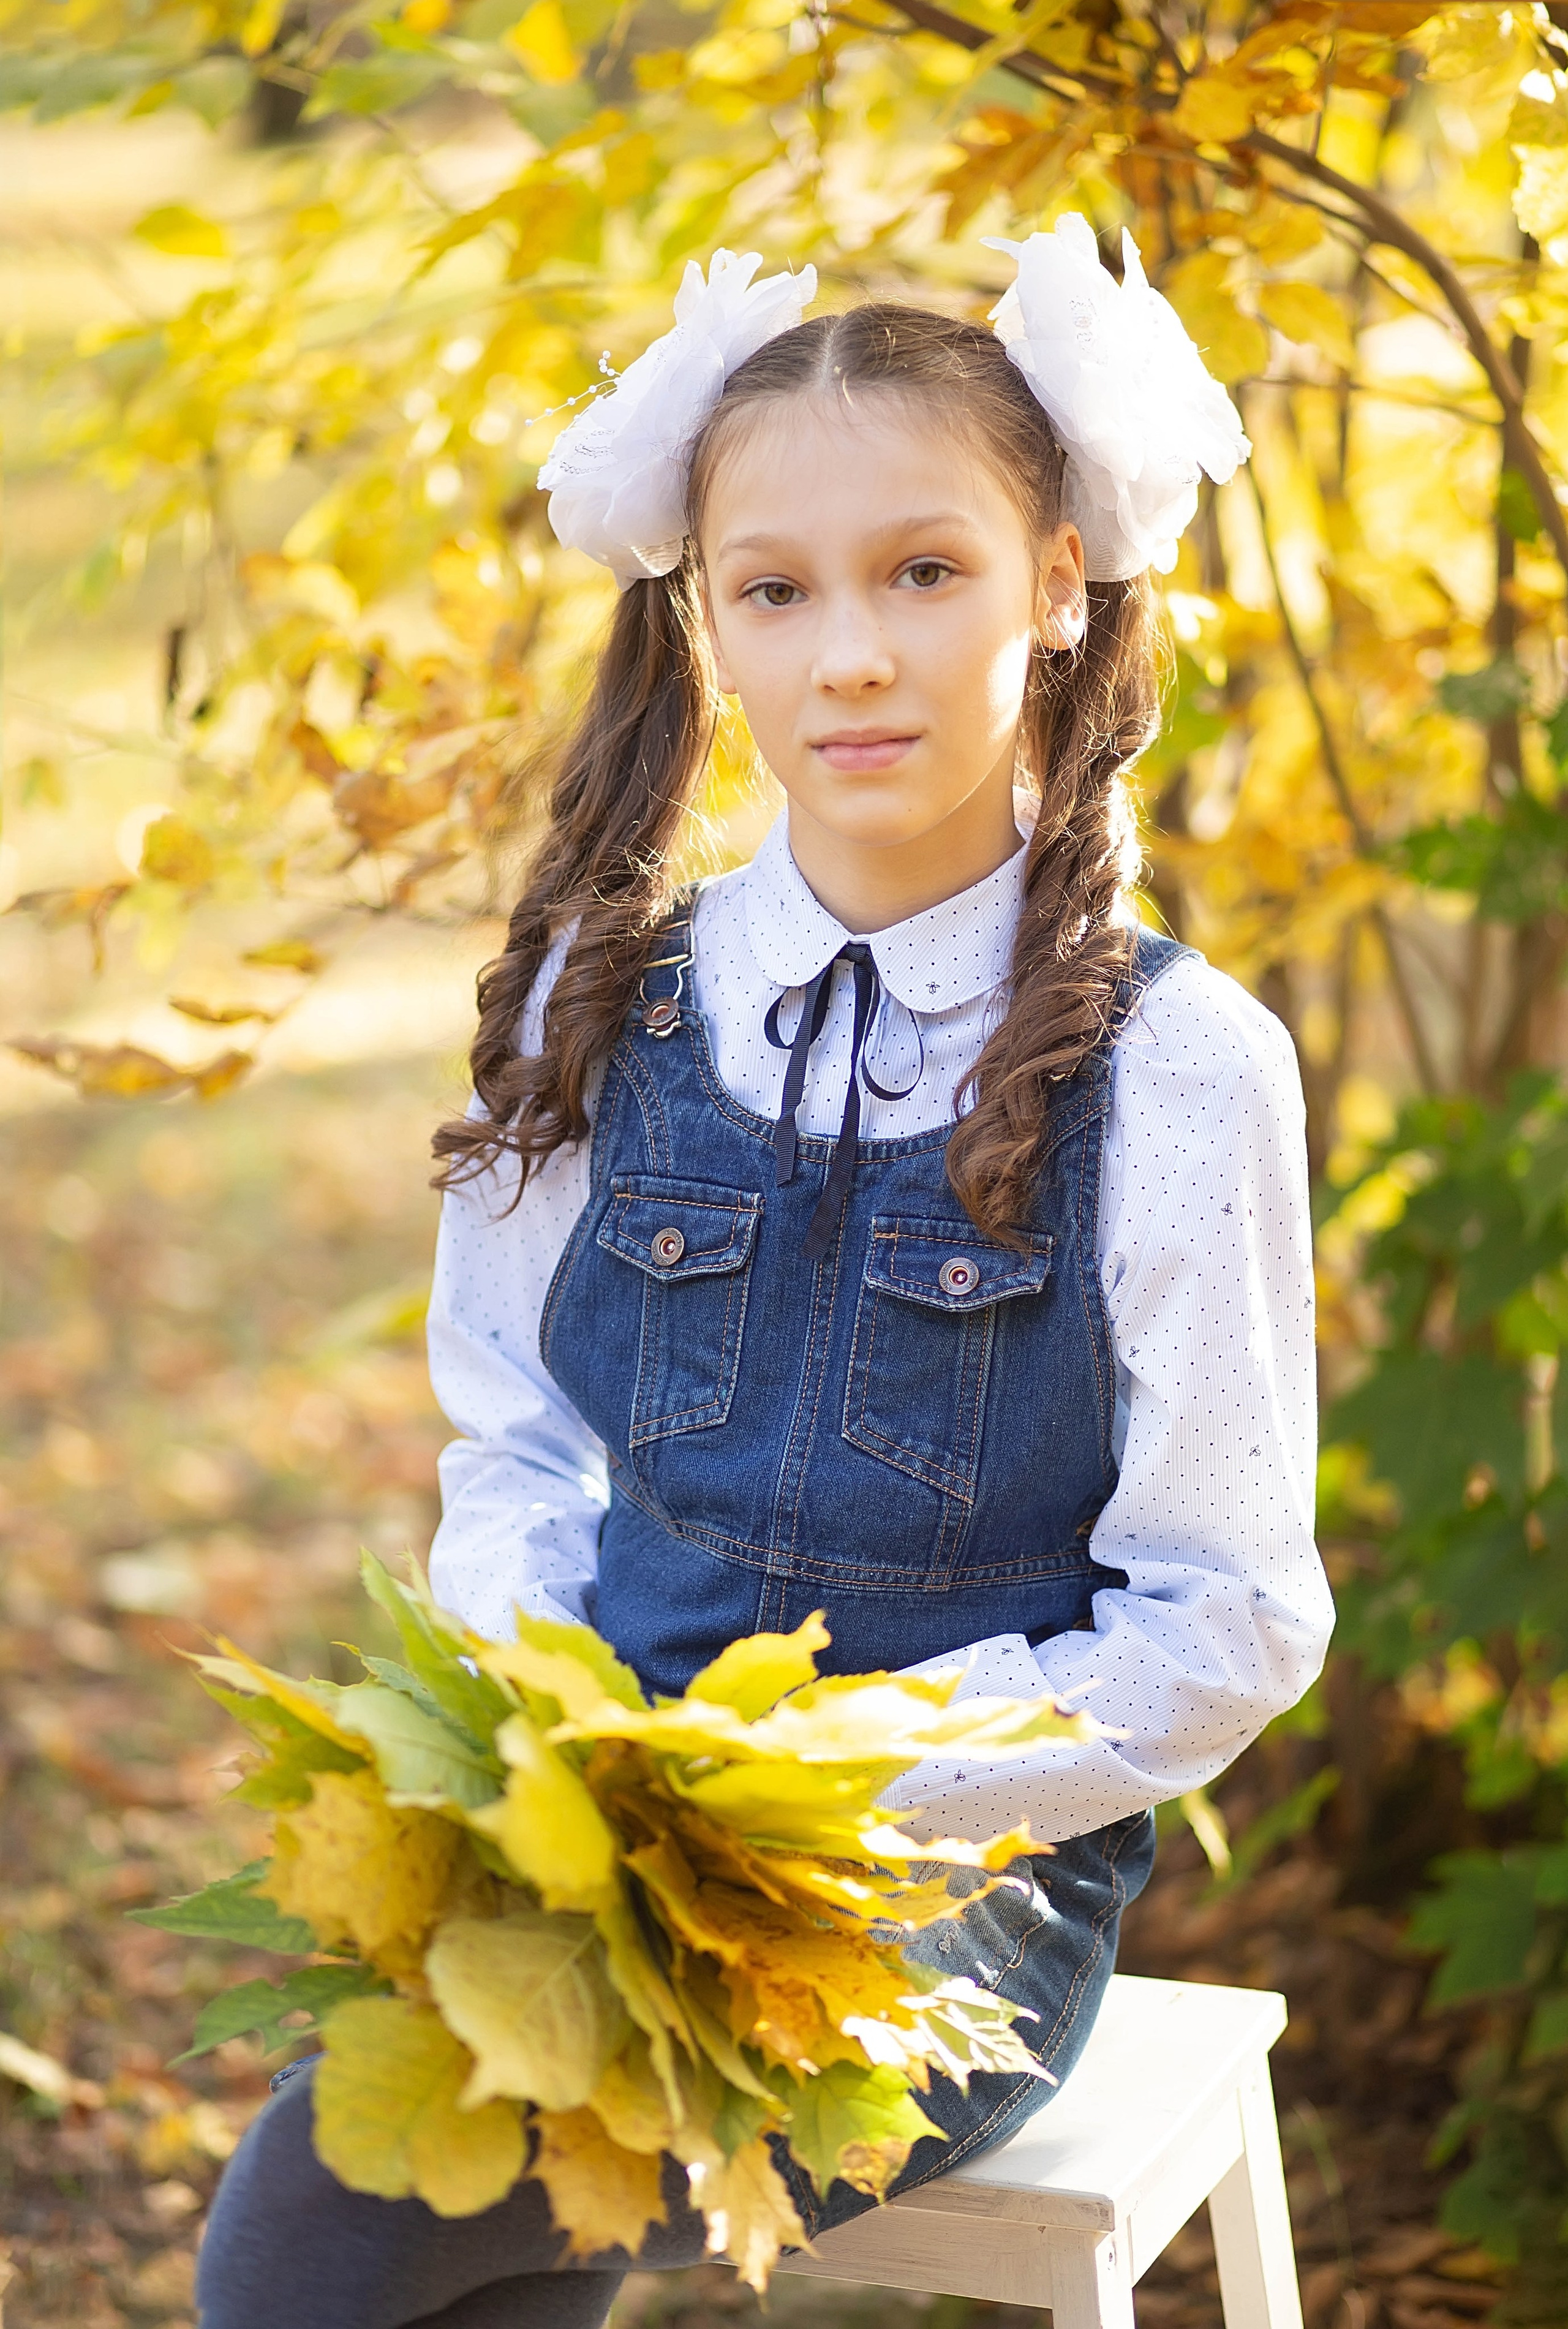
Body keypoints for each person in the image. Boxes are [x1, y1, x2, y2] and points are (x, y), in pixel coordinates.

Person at [196, 220, 1334, 2329]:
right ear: (706, 617)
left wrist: (850, 1778)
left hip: (940, 1885)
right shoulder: (605, 997)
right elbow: (519, 1436)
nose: (853, 659)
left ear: (1061, 582)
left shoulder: (1177, 1069)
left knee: (323, 2239)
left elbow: (1232, 1614)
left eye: (927, 570)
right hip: (599, 1810)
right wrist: (573, 1736)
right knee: (411, 2164)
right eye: (776, 592)